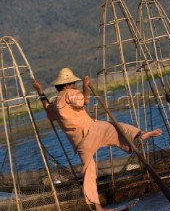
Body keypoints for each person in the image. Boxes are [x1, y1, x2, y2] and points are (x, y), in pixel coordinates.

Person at [33, 68, 162, 211]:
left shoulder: (55, 102)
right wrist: (85, 86)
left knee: (89, 171)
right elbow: (85, 100)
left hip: (80, 144)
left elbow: (48, 110)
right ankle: (138, 135)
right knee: (115, 128)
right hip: (91, 130)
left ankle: (98, 207)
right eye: (74, 83)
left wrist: (40, 91)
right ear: (68, 84)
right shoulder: (71, 93)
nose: (75, 85)